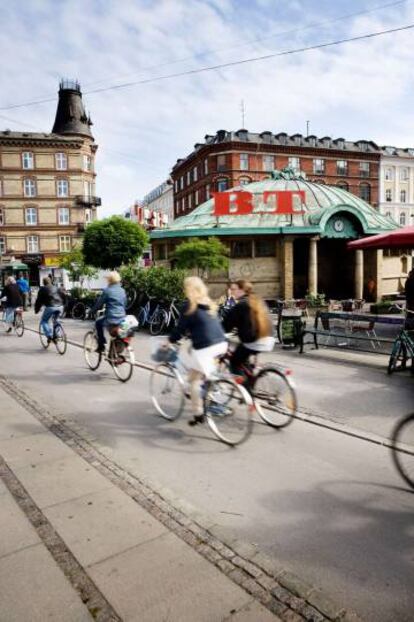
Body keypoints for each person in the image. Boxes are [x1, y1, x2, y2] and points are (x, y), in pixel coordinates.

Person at [168, 276, 227, 425]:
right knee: (197, 370)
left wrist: (168, 341)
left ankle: (198, 413)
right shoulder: (208, 303)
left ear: (188, 289)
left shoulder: (189, 305)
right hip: (221, 344)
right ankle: (209, 390)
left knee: (195, 380)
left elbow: (180, 330)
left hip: (206, 347)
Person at [223, 280, 274, 375]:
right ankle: (250, 378)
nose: (232, 292)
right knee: (243, 358)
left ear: (242, 290)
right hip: (269, 338)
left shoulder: (241, 305)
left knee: (234, 362)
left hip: (255, 341)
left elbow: (226, 326)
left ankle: (245, 388)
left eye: (234, 289)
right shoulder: (258, 300)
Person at [92, 271, 127, 352]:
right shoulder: (122, 290)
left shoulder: (107, 291)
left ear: (109, 280)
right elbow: (125, 304)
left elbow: (99, 304)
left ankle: (102, 345)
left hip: (111, 318)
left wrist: (92, 311)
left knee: (98, 322)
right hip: (122, 318)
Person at [34, 277, 64, 343]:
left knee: (44, 321)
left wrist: (36, 310)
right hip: (60, 306)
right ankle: (57, 335)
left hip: (50, 307)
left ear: (43, 282)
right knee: (56, 320)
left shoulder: (42, 289)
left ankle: (49, 335)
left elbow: (38, 301)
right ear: (50, 281)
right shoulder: (56, 287)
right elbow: (63, 295)